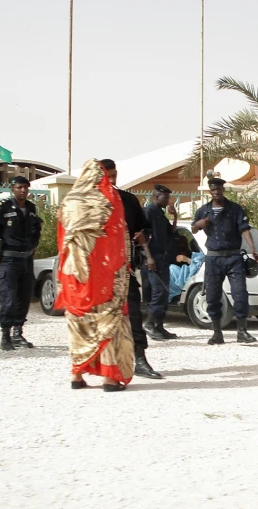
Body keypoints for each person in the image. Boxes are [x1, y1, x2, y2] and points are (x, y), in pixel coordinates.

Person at [56, 159, 134, 392]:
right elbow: (118, 237)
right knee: (106, 321)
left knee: (78, 322)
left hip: (74, 273)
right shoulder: (109, 198)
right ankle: (110, 379)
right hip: (103, 273)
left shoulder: (68, 201)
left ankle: (77, 376)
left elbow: (61, 238)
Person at [99, 159, 163, 380]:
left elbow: (143, 227)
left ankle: (140, 359)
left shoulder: (127, 200)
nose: (113, 180)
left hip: (124, 270)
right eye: (108, 175)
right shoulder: (90, 203)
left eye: (115, 175)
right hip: (99, 275)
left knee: (134, 314)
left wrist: (142, 236)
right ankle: (99, 364)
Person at [192, 176, 258, 344]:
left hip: (234, 257)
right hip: (213, 258)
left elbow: (244, 229)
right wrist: (199, 224)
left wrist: (253, 249)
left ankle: (242, 331)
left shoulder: (235, 209)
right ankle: (217, 333)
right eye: (213, 190)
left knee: (240, 293)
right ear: (210, 191)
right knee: (213, 296)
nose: (216, 192)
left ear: (223, 190)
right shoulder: (203, 211)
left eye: (219, 189)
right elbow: (193, 229)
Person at [0, 176, 42, 351]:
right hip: (9, 260)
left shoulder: (30, 208)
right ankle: (5, 336)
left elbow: (37, 227)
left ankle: (17, 333)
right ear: (13, 189)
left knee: (24, 296)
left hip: (26, 260)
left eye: (26, 188)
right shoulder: (3, 208)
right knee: (9, 298)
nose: (23, 190)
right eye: (20, 187)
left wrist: (34, 243)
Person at [142, 184, 179, 340]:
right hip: (153, 257)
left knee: (164, 292)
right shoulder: (148, 212)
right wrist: (149, 257)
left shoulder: (160, 214)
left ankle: (159, 325)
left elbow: (171, 232)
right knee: (158, 292)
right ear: (156, 197)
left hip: (163, 258)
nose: (167, 201)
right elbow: (142, 236)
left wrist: (175, 216)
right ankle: (149, 324)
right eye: (165, 198)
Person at [169, 235, 205, 302]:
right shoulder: (175, 253)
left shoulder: (199, 255)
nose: (184, 245)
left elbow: (196, 266)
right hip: (184, 274)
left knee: (172, 268)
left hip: (188, 277)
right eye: (181, 243)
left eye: (185, 243)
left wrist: (187, 260)